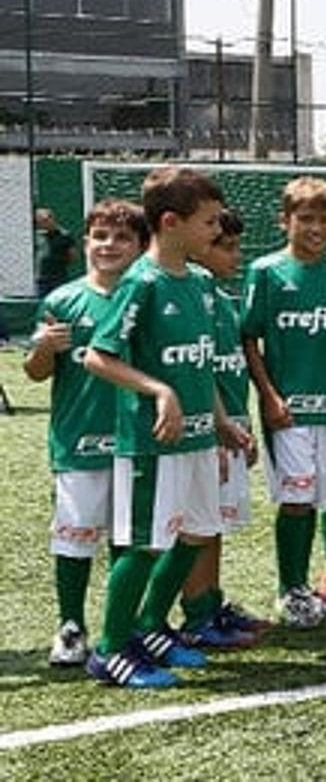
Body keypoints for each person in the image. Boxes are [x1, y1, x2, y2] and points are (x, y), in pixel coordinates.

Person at [83, 166, 250, 689]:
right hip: (155, 443)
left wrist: (222, 421)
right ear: (172, 222)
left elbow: (199, 364)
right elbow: (97, 357)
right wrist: (159, 392)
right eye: (208, 222)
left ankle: (152, 625)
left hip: (201, 437)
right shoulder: (141, 283)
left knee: (199, 532)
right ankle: (110, 649)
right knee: (143, 545)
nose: (216, 231)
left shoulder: (200, 283)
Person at [242, 177, 326, 625]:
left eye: (323, 219)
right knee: (295, 499)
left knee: (324, 497)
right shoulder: (267, 272)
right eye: (305, 219)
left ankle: (313, 581)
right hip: (289, 410)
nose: (315, 228)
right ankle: (290, 588)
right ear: (286, 221)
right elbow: (249, 338)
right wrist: (270, 396)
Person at [28, 199, 142, 666]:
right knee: (74, 537)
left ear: (141, 245)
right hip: (78, 440)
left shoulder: (146, 296)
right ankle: (71, 625)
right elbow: (35, 373)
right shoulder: (63, 300)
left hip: (138, 439)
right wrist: (44, 349)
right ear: (88, 242)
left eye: (121, 237)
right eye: (100, 236)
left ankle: (125, 627)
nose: (109, 245)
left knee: (128, 537)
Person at [176, 210, 265, 649]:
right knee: (199, 527)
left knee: (214, 524)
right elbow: (196, 371)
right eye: (224, 246)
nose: (236, 255)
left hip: (230, 427)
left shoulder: (222, 298)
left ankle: (211, 604)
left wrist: (241, 425)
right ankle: (195, 614)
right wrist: (216, 427)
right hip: (206, 431)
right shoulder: (191, 295)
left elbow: (231, 371)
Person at [36, 207, 78, 299]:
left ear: (52, 219)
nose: (43, 224)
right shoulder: (37, 236)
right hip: (42, 278)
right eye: (40, 221)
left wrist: (60, 262)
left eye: (45, 220)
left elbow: (73, 256)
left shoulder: (64, 235)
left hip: (59, 277)